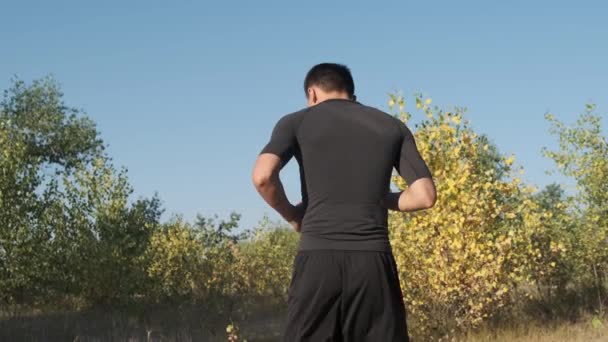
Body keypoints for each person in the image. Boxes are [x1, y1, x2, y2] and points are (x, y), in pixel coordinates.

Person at [252, 63, 437, 341]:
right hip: (373, 262)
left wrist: (292, 216)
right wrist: (380, 197)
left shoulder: (296, 122)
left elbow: (263, 176)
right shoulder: (391, 126)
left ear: (312, 94)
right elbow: (424, 195)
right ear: (351, 93)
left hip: (318, 260)